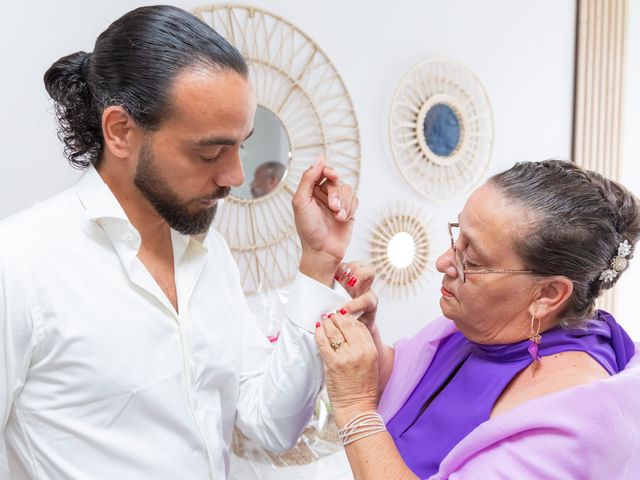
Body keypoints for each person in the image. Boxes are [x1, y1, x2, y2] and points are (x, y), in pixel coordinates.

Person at [0, 6, 357, 479]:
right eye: (210, 151)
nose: (235, 176)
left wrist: (317, 261)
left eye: (241, 145)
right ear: (121, 131)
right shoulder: (19, 264)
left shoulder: (213, 256)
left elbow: (272, 424)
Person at [316, 159, 640, 479]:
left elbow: (366, 407)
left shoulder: (570, 419)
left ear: (548, 295)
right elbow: (406, 391)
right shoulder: (486, 323)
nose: (443, 262)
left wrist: (355, 408)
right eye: (458, 237)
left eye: (471, 259)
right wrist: (365, 332)